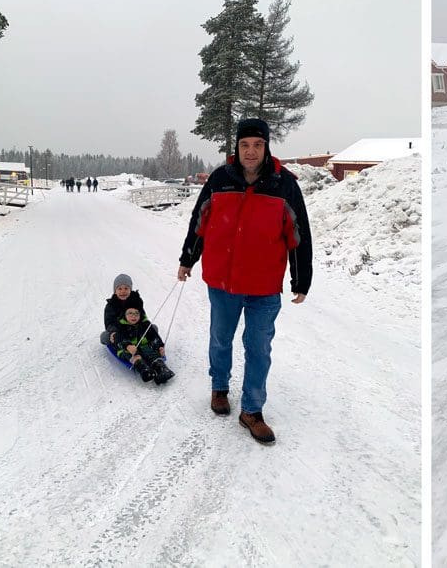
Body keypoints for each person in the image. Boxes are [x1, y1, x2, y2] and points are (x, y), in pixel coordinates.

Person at [177, 118, 313, 444]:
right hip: (222, 283)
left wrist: (301, 278)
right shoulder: (220, 179)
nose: (251, 151)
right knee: (221, 339)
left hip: (264, 287)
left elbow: (298, 234)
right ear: (236, 148)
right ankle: (219, 388)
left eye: (257, 144)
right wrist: (187, 259)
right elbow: (200, 222)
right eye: (245, 145)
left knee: (258, 349)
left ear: (266, 147)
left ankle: (252, 410)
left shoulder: (284, 185)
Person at [113, 305, 175, 385]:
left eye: (136, 313)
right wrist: (127, 346)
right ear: (124, 315)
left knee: (151, 352)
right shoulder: (121, 326)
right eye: (130, 313)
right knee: (134, 355)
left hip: (144, 347)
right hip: (127, 349)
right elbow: (118, 339)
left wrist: (160, 347)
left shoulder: (145, 324)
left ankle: (161, 368)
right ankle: (144, 369)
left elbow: (154, 337)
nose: (133, 316)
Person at [101, 273, 145, 346]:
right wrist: (113, 333)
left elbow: (143, 317)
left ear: (130, 290)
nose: (123, 291)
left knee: (153, 327)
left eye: (126, 288)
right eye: (120, 288)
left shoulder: (136, 302)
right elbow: (109, 323)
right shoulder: (111, 305)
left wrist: (145, 328)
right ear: (115, 291)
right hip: (119, 332)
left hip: (136, 331)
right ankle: (121, 344)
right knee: (104, 336)